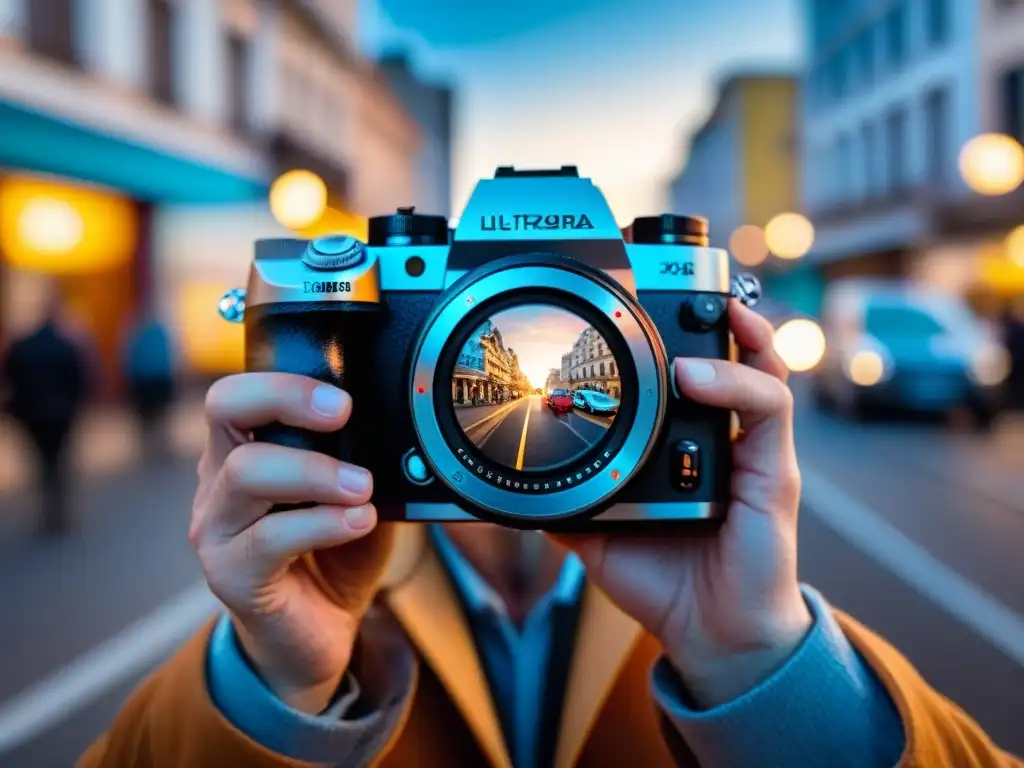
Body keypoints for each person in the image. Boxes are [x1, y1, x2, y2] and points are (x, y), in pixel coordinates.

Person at [79, 301, 1019, 767]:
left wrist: (760, 661)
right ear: (404, 346)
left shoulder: (705, 587)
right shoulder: (335, 566)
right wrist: (276, 680)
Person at [1, 293, 89, 536]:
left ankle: (49, 507)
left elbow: (10, 374)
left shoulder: (23, 346)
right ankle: (57, 508)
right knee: (59, 460)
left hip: (33, 414)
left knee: (43, 461)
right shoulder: (65, 346)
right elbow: (79, 379)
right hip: (60, 414)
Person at [122, 312, 177, 459]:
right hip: (157, 380)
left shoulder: (136, 331)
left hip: (146, 381)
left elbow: (129, 357)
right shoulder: (159, 331)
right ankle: (159, 448)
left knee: (148, 418)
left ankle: (150, 449)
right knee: (158, 417)